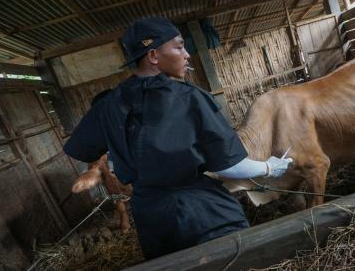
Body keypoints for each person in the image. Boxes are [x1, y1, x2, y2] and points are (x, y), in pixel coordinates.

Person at [63, 17, 293, 260]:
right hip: (204, 213)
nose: (187, 55)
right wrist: (269, 167)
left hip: (153, 221)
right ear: (153, 55)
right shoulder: (190, 98)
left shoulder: (106, 105)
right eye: (179, 46)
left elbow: (83, 150)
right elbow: (230, 165)